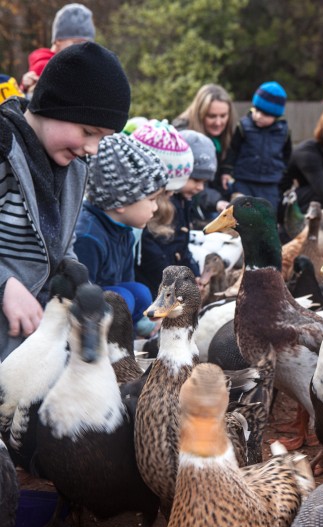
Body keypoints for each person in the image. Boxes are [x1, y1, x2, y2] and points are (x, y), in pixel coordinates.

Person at [0, 42, 130, 360]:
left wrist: (75, 275)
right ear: (55, 107)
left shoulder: (73, 169)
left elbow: (61, 247)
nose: (94, 148)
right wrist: (5, 286)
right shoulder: (4, 151)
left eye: (103, 138)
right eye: (88, 131)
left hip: (34, 336)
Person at [74, 134, 168, 336]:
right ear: (121, 202)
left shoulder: (124, 231)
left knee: (139, 291)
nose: (155, 207)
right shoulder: (88, 238)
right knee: (122, 296)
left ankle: (136, 333)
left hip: (111, 310)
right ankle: (113, 343)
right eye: (151, 199)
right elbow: (79, 295)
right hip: (86, 321)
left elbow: (126, 280)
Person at [132, 122, 217, 298]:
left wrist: (192, 274)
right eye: (195, 180)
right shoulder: (159, 206)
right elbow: (153, 254)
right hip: (153, 287)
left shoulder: (184, 201)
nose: (201, 187)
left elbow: (181, 246)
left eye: (205, 182)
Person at [221, 81, 292, 213]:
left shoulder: (283, 131)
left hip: (270, 183)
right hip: (244, 180)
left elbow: (287, 155)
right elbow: (233, 149)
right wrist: (226, 171)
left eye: (265, 114)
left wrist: (283, 175)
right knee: (241, 214)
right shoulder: (243, 126)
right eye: (257, 110)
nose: (258, 116)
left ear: (276, 116)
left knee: (267, 214)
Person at [172, 83, 237, 225]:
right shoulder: (182, 135)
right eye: (211, 116)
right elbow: (191, 183)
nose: (218, 122)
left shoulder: (227, 134)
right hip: (195, 202)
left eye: (223, 116)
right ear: (199, 113)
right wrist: (217, 201)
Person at [21, 3, 95, 97]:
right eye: (76, 43)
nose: (82, 49)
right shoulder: (47, 67)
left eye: (86, 44)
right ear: (58, 40)